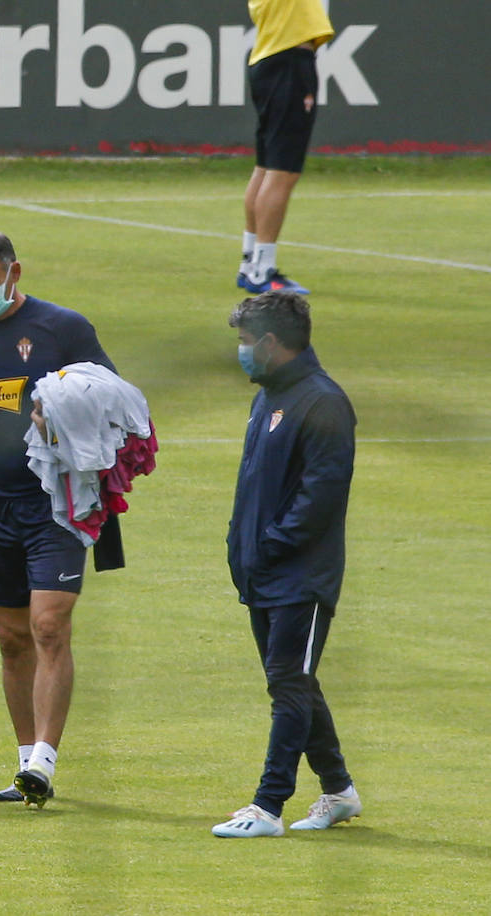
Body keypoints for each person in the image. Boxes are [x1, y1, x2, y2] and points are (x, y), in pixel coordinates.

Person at [0, 230, 116, 807]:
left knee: (48, 626)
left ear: (15, 272)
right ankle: (23, 765)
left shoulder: (65, 328)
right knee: (12, 638)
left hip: (58, 503)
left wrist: (65, 414)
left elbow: (115, 397)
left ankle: (44, 761)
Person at [212, 290, 361, 838]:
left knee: (289, 685)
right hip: (264, 572)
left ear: (272, 344)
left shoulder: (322, 402)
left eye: (247, 342)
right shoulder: (269, 396)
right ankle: (339, 790)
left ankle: (268, 806)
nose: (242, 352)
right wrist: (240, 546)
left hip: (302, 576)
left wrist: (272, 544)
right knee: (295, 680)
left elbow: (320, 496)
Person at [236, 0, 335, 296]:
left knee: (267, 166)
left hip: (272, 58)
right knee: (283, 170)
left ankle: (251, 261)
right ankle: (262, 269)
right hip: (287, 61)